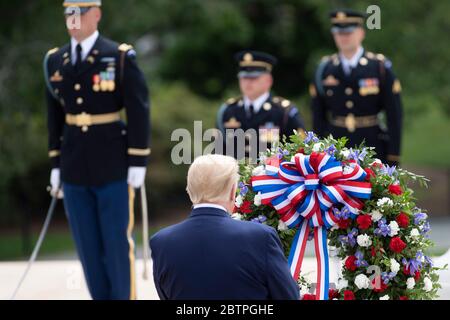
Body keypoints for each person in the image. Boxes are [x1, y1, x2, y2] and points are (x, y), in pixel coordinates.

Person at [44, 0, 151, 300]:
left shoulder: (117, 56)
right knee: (87, 247)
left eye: (79, 14)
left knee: (116, 244)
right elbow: (54, 116)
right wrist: (55, 163)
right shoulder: (56, 60)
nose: (73, 20)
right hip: (74, 164)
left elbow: (138, 108)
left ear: (96, 15)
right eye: (68, 14)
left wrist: (138, 160)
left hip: (113, 163)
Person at [150, 154, 299, 300]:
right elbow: (289, 296)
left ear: (189, 191)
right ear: (232, 191)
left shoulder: (161, 242)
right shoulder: (261, 237)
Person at [310, 9, 403, 166]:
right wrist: (317, 154)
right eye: (339, 33)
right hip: (335, 149)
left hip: (373, 146)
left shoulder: (378, 67)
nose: (343, 37)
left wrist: (393, 155)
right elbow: (318, 116)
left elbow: (394, 115)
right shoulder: (325, 69)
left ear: (361, 33)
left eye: (349, 32)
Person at [217, 51, 306, 160]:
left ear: (269, 80)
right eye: (244, 78)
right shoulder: (228, 111)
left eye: (254, 78)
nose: (248, 83)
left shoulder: (283, 112)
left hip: (272, 175)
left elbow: (300, 150)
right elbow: (218, 153)